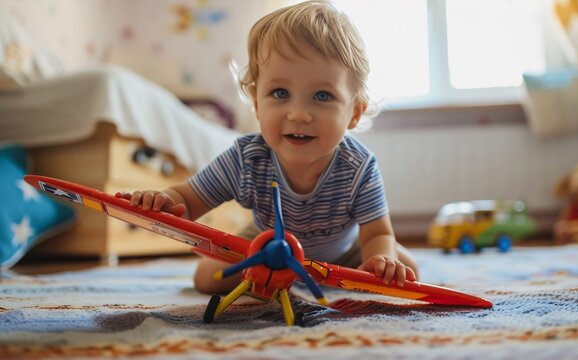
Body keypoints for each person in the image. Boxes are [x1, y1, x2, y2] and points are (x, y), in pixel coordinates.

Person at [118, 0, 418, 295]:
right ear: (258, 104)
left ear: (353, 113)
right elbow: (187, 199)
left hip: (343, 254)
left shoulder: (359, 166)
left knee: (406, 270)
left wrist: (381, 259)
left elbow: (377, 232)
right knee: (207, 278)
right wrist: (162, 202)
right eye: (280, 92)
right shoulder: (246, 157)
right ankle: (271, 277)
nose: (298, 114)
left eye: (323, 96)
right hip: (263, 246)